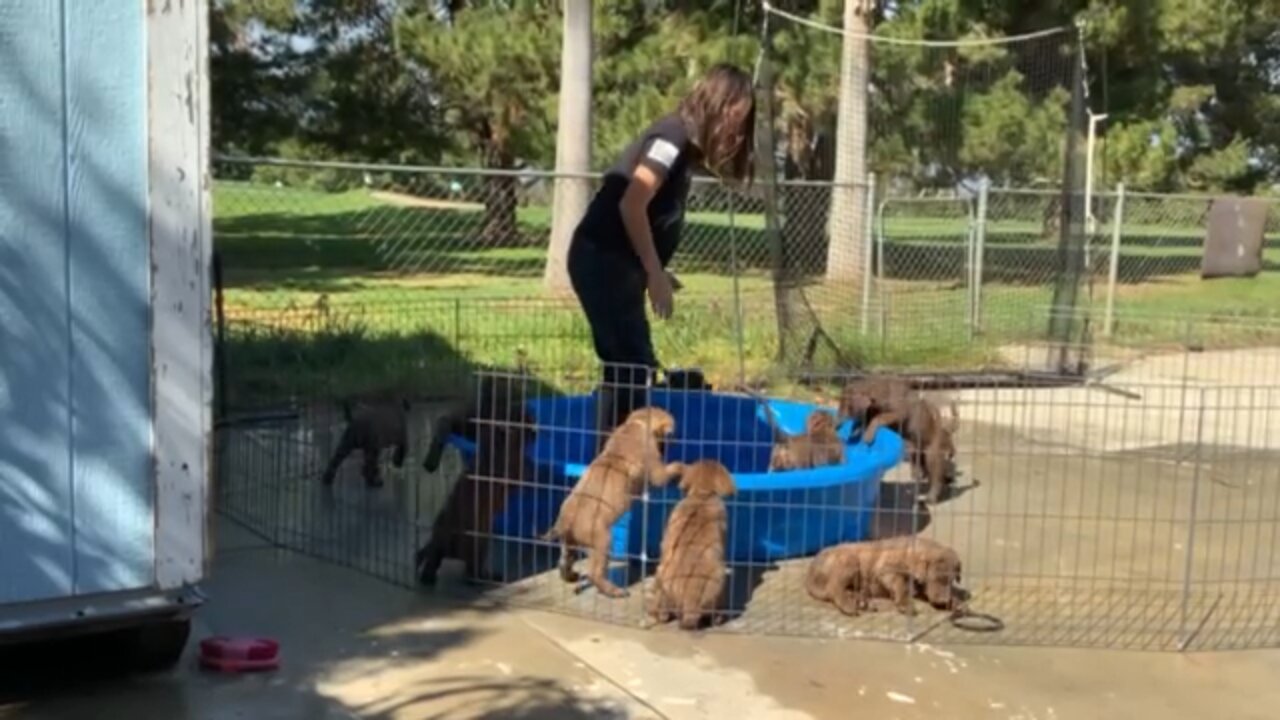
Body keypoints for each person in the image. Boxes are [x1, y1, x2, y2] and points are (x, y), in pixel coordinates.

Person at [567, 63, 756, 435]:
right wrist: (652, 272)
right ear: (718, 104)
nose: (735, 130)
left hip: (617, 265)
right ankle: (616, 464)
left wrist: (654, 268)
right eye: (735, 117)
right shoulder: (672, 139)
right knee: (632, 366)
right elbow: (631, 203)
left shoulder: (685, 149)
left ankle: (615, 458)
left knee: (629, 366)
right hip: (601, 260)